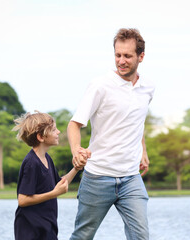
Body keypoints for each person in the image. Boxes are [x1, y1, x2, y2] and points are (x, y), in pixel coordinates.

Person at [68, 28, 155, 240]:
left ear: (141, 56)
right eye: (118, 55)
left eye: (127, 55)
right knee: (83, 236)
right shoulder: (100, 85)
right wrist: (76, 151)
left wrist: (143, 151)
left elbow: (136, 120)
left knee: (141, 236)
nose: (121, 61)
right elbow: (74, 124)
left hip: (131, 178)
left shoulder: (148, 88)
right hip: (98, 176)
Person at [12, 111, 87, 240]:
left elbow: (60, 184)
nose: (58, 132)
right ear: (41, 137)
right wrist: (54, 193)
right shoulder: (31, 163)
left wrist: (77, 168)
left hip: (48, 227)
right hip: (30, 230)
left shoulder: (47, 158)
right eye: (53, 130)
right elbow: (22, 200)